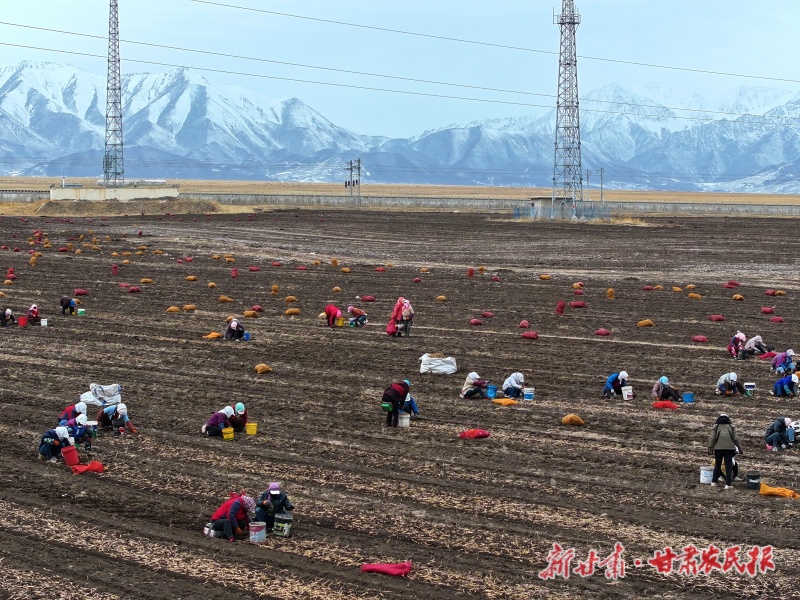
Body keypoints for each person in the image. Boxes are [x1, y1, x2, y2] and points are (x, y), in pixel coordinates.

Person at [708, 413, 742, 489]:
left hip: (718, 449)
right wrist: (739, 448)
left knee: (717, 465)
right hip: (729, 449)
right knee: (728, 466)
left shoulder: (716, 427)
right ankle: (728, 484)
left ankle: (713, 482)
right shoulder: (731, 427)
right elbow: (736, 438)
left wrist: (710, 447)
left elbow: (712, 438)